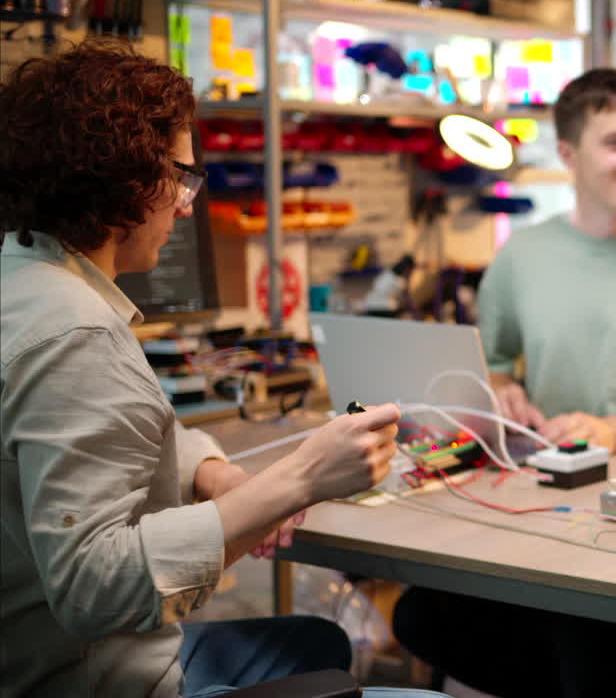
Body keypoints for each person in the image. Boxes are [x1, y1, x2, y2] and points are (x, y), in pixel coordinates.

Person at [0, 40, 448, 698]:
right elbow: (92, 590)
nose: (187, 205)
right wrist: (300, 480)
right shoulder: (77, 331)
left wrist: (210, 471)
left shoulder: (25, 277)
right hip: (95, 682)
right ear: (120, 174)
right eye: (179, 174)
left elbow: (102, 440)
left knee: (317, 643)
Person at [393, 67, 616, 698]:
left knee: (580, 630)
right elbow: (494, 366)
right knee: (420, 616)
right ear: (567, 153)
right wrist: (501, 390)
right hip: (541, 513)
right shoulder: (519, 258)